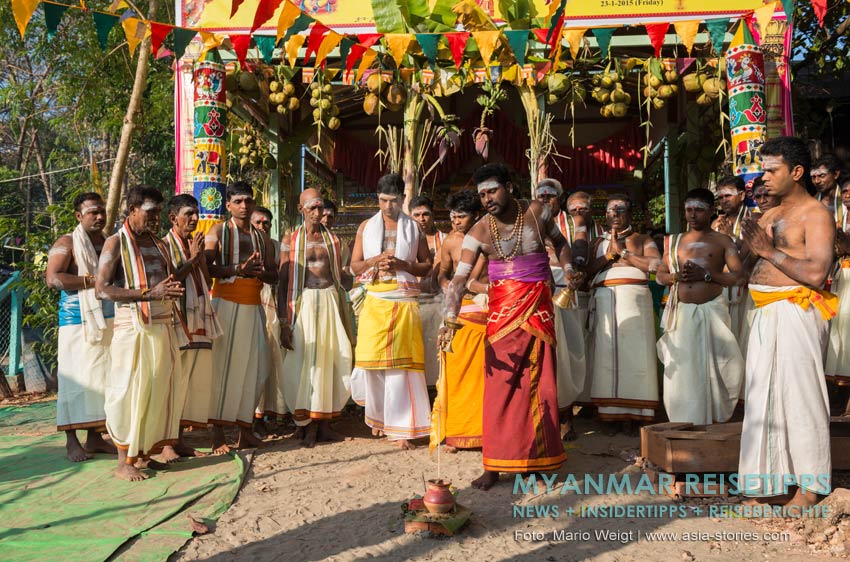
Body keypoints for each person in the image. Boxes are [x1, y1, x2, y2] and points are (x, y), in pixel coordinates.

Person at [442, 163, 574, 490]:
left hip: (538, 309)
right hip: (501, 315)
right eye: (482, 194)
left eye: (493, 191)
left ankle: (537, 464)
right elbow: (459, 281)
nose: (487, 199)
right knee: (499, 389)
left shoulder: (537, 212)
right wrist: (448, 320)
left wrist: (570, 270)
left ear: (510, 187)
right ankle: (494, 463)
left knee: (539, 385)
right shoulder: (478, 232)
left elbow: (561, 244)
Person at [739, 136, 836, 512]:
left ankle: (809, 488)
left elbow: (816, 272)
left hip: (797, 310)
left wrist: (768, 251)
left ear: (796, 172)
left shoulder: (816, 214)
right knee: (762, 399)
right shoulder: (768, 215)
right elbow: (743, 269)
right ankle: (769, 483)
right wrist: (744, 249)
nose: (763, 177)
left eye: (771, 170)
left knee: (801, 397)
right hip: (764, 313)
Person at [96, 186, 186, 481]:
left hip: (162, 325)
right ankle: (123, 462)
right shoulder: (115, 243)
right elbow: (102, 289)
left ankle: (143, 453)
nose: (156, 217)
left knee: (156, 390)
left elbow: (168, 280)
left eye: (159, 212)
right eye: (150, 212)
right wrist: (149, 294)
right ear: (132, 209)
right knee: (129, 391)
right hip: (132, 328)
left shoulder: (159, 244)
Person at [349, 174, 433, 450]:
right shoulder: (366, 227)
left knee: (402, 367)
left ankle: (403, 428)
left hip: (403, 300)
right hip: (375, 300)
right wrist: (376, 260)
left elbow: (426, 266)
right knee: (372, 364)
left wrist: (402, 265)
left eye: (394, 201)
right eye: (383, 201)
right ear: (378, 199)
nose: (388, 206)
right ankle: (381, 420)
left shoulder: (413, 228)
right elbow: (354, 266)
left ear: (403, 199)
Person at [656, 188, 745, 425]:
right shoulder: (673, 241)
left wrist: (707, 275)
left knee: (721, 364)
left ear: (711, 210)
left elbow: (738, 276)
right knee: (683, 367)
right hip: (682, 313)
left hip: (712, 310)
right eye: (689, 210)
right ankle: (684, 418)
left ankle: (714, 417)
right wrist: (674, 277)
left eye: (699, 209)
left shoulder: (722, 241)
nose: (693, 215)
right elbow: (660, 274)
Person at [204, 182, 277, 453]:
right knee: (222, 369)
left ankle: (245, 431)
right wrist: (238, 269)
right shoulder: (218, 231)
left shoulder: (262, 238)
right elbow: (206, 267)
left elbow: (274, 274)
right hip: (226, 305)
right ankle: (218, 434)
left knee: (255, 369)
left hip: (253, 306)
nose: (244, 206)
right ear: (228, 205)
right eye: (238, 201)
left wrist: (258, 273)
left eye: (248, 201)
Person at [279, 189, 354, 447]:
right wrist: (283, 321)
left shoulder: (334, 240)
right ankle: (306, 424)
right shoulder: (290, 239)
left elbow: (344, 278)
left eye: (320, 207)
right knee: (304, 363)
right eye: (312, 207)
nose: (318, 212)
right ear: (301, 209)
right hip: (304, 304)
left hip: (330, 301)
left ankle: (323, 425)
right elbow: (282, 281)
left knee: (332, 360)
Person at [46, 192, 117, 462]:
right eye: (92, 213)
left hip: (107, 317)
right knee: (74, 380)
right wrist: (93, 280)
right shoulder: (67, 243)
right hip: (76, 320)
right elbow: (53, 279)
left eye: (102, 211)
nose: (99, 216)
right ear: (79, 216)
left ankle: (95, 438)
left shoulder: (110, 242)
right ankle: (71, 441)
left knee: (101, 380)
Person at [586, 194, 661, 429]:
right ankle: (610, 416)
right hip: (605, 301)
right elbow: (587, 271)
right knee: (606, 356)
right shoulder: (597, 243)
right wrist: (610, 255)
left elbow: (656, 266)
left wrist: (625, 254)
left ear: (629, 213)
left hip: (635, 300)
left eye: (620, 210)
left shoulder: (642, 240)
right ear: (605, 215)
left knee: (637, 355)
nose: (615, 215)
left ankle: (638, 414)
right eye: (611, 210)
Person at [161, 194, 221, 459]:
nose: (195, 218)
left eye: (196, 213)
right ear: (173, 218)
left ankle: (180, 440)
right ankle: (166, 444)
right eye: (189, 214)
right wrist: (193, 259)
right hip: (177, 320)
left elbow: (206, 282)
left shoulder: (194, 243)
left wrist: (199, 259)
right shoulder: (164, 245)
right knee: (173, 383)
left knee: (190, 384)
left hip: (198, 319)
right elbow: (169, 280)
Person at [431, 190, 486, 453]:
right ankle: (456, 433)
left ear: (476, 215)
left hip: (486, 308)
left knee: (485, 376)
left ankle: (486, 433)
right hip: (459, 310)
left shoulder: (490, 239)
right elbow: (442, 274)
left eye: (461, 217)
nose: (455, 222)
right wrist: (448, 287)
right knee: (455, 372)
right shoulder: (451, 241)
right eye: (453, 217)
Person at [536, 178, 588, 441]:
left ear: (560, 197)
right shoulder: (530, 221)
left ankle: (567, 417)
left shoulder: (574, 224)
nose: (545, 200)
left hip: (564, 291)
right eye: (541, 196)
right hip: (536, 291)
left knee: (568, 355)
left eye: (550, 196)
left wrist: (566, 268)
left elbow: (579, 259)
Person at [250, 206, 287, 434]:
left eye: (266, 223)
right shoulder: (243, 244)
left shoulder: (276, 247)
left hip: (272, 307)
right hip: (250, 304)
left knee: (273, 359)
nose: (262, 226)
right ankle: (253, 417)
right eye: (258, 223)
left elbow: (280, 278)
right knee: (254, 361)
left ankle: (271, 412)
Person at [410, 195, 446, 386]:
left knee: (437, 349)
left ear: (433, 215)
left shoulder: (446, 239)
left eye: (426, 214)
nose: (421, 219)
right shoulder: (405, 241)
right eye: (416, 215)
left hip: (440, 301)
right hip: (413, 301)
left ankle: (437, 390)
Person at [711, 175, 751, 349]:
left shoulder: (754, 219)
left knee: (745, 344)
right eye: (720, 197)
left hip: (745, 290)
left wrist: (730, 237)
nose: (723, 201)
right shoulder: (716, 223)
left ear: (741, 195)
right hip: (721, 290)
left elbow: (748, 254)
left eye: (728, 195)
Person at [826, 178, 850, 389]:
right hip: (841, 278)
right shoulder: (839, 219)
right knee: (839, 329)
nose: (847, 195)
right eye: (845, 191)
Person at [811, 154, 844, 223]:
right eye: (813, 177)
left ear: (835, 174)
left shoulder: (846, 200)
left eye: (822, 176)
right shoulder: (812, 202)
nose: (817, 181)